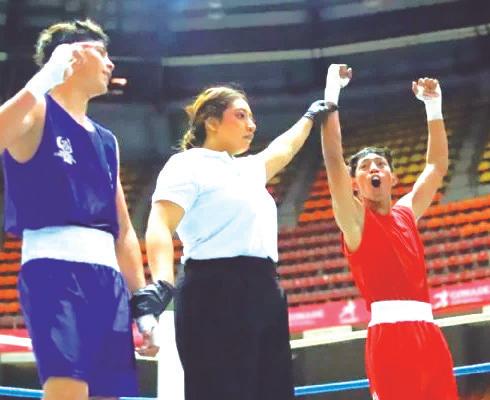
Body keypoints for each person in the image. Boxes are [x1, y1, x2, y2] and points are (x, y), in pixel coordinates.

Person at [0, 19, 169, 399]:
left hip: (108, 281)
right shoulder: (37, 109)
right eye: (102, 53)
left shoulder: (107, 140)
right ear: (71, 55)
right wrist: (44, 78)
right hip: (54, 271)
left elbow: (123, 230)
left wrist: (142, 305)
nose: (111, 63)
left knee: (107, 394)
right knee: (68, 389)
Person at [145, 85, 333, 400]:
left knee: (273, 391)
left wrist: (310, 116)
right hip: (213, 291)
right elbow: (160, 224)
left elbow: (284, 148)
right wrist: (162, 283)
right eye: (241, 115)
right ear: (211, 121)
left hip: (265, 288)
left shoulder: (249, 168)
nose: (252, 125)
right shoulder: (186, 164)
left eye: (252, 117)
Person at [321, 64, 458, 400]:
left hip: (430, 333)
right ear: (355, 183)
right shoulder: (355, 219)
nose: (374, 168)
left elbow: (436, 166)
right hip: (389, 340)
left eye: (380, 164)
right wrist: (331, 93)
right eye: (365, 166)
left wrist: (433, 106)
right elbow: (334, 159)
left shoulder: (407, 212)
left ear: (393, 178)